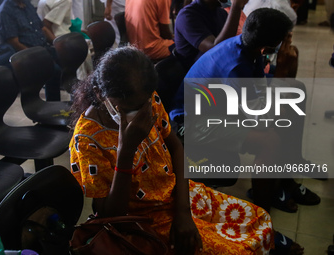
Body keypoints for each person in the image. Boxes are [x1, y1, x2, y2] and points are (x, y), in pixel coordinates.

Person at [69, 46, 273, 254]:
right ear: (100, 93)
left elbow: (176, 147)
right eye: (128, 109)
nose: (139, 114)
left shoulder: (147, 100)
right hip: (143, 219)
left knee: (260, 219)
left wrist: (183, 211)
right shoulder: (88, 139)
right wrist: (126, 150)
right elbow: (110, 214)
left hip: (178, 195)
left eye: (143, 105)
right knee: (237, 251)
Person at [183, 8, 322, 254]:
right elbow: (259, 113)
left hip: (222, 107)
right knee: (269, 140)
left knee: (294, 95)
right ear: (271, 45)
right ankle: (262, 219)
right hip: (198, 123)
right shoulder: (235, 66)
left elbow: (258, 95)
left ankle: (284, 181)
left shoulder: (248, 47)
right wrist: (281, 73)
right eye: (285, 39)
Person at [0, 0, 61, 101]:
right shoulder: (5, 11)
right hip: (27, 55)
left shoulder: (26, 4)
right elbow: (15, 42)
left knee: (68, 57)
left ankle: (78, 102)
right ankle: (54, 104)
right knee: (54, 70)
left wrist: (57, 43)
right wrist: (37, 56)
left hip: (43, 48)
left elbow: (42, 28)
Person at [174, 0, 248, 71]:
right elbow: (215, 50)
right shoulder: (187, 16)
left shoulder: (221, 13)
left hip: (219, 71)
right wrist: (236, 6)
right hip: (198, 79)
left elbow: (231, 47)